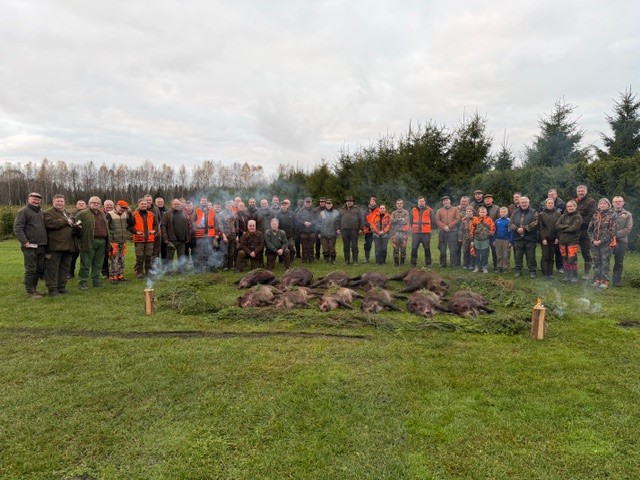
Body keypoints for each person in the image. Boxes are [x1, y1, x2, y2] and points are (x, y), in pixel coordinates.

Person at [13, 192, 48, 298]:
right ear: (28, 199)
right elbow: (17, 227)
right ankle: (30, 291)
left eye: (38, 199)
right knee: (31, 269)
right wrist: (25, 242)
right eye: (34, 199)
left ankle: (34, 289)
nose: (36, 201)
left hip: (41, 245)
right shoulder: (24, 211)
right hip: (30, 246)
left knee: (39, 269)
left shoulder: (40, 212)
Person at [43, 194, 77, 296]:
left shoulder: (68, 213)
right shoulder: (48, 213)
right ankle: (52, 289)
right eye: (57, 201)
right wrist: (66, 221)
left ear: (64, 202)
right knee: (52, 269)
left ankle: (62, 287)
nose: (60, 203)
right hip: (54, 247)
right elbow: (50, 224)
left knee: (64, 269)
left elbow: (73, 220)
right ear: (53, 202)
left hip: (68, 246)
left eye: (61, 201)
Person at [76, 196, 110, 290]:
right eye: (93, 203)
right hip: (89, 241)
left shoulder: (102, 214)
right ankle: (82, 282)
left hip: (102, 242)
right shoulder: (83, 213)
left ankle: (96, 281)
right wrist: (80, 237)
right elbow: (75, 224)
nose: (96, 204)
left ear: (100, 204)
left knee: (98, 263)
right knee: (85, 263)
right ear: (89, 203)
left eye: (98, 203)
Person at [588, 198, 616, 289]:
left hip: (605, 243)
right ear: (598, 205)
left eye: (604, 203)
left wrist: (601, 241)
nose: (602, 205)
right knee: (596, 262)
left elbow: (612, 231)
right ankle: (597, 280)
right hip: (594, 243)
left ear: (608, 205)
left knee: (605, 262)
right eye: (601, 203)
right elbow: (589, 229)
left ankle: (604, 281)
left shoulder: (612, 215)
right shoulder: (595, 215)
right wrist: (593, 240)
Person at [509, 196, 538, 278]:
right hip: (518, 238)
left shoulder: (533, 212)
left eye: (525, 202)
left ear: (528, 203)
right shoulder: (515, 212)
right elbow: (510, 223)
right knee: (518, 256)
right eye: (522, 202)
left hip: (530, 238)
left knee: (531, 256)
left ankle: (532, 271)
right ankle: (518, 270)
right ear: (519, 203)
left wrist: (524, 228)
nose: (524, 204)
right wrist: (517, 229)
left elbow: (535, 222)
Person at [129, 198, 158, 278]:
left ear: (147, 205)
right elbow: (129, 226)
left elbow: (156, 225)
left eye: (145, 204)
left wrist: (154, 230)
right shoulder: (134, 214)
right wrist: (135, 232)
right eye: (142, 204)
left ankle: (148, 272)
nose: (144, 205)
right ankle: (139, 272)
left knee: (149, 256)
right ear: (138, 204)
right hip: (139, 240)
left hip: (150, 239)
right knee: (140, 257)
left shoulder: (151, 214)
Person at [555, 200, 582, 283]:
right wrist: (567, 226)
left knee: (571, 259)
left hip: (572, 241)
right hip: (562, 241)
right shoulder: (563, 216)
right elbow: (557, 226)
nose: (569, 208)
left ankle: (574, 276)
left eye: (571, 206)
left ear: (575, 207)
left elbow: (573, 228)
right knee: (564, 258)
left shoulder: (578, 217)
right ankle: (567, 275)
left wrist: (562, 228)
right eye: (568, 206)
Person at [105, 200, 132, 282]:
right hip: (113, 241)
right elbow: (106, 228)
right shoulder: (109, 214)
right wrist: (109, 241)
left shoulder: (125, 214)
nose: (122, 209)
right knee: (113, 259)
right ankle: (113, 276)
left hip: (123, 241)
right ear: (116, 206)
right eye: (121, 207)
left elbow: (131, 224)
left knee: (121, 259)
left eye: (124, 208)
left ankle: (120, 275)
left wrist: (130, 213)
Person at [162, 198, 191, 274]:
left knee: (181, 256)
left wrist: (187, 237)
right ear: (171, 204)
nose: (177, 205)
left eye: (178, 204)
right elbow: (163, 226)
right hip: (172, 239)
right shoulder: (167, 214)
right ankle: (169, 271)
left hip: (182, 240)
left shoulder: (183, 213)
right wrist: (165, 238)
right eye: (175, 204)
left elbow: (187, 226)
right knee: (170, 257)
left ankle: (181, 270)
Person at [575, 185, 597, 279]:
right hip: (574, 231)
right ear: (577, 192)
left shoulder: (591, 202)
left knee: (586, 253)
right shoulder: (574, 201)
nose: (580, 192)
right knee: (572, 253)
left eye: (582, 191)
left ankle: (587, 274)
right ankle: (573, 273)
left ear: (586, 192)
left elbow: (590, 216)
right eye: (579, 191)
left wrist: (578, 224)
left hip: (585, 231)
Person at [611, 196, 633, 287]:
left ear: (623, 203)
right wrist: (609, 236)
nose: (618, 203)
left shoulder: (628, 214)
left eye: (620, 201)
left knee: (619, 262)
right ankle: (602, 279)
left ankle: (616, 281)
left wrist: (614, 235)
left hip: (622, 241)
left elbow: (628, 229)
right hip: (607, 240)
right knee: (604, 259)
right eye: (616, 201)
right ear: (612, 203)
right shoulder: (608, 213)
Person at [192, 196, 217, 273]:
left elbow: (216, 223)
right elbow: (192, 221)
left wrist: (216, 234)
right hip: (200, 235)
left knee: (210, 251)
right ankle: (199, 269)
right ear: (200, 202)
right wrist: (196, 225)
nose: (204, 202)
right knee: (200, 252)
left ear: (207, 202)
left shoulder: (212, 211)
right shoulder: (197, 210)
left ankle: (211, 268)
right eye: (202, 201)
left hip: (210, 235)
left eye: (205, 201)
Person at [336, 196, 364, 265]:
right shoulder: (342, 210)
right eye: (347, 201)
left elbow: (361, 219)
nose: (349, 202)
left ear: (353, 202)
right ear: (346, 202)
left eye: (350, 201)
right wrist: (338, 228)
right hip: (344, 230)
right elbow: (338, 220)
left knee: (354, 246)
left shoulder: (357, 209)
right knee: (346, 246)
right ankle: (346, 260)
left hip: (354, 230)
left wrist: (361, 228)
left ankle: (355, 261)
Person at [538, 197, 561, 280]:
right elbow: (540, 227)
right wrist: (543, 238)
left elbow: (559, 227)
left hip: (554, 238)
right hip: (545, 238)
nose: (550, 204)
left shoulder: (558, 213)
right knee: (545, 256)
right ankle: (545, 273)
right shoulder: (541, 214)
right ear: (546, 204)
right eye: (548, 203)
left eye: (552, 203)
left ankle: (550, 273)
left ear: (554, 204)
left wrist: (557, 238)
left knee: (551, 256)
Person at [435, 196, 460, 268]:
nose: (445, 202)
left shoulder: (455, 209)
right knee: (442, 248)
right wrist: (444, 227)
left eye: (447, 200)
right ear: (443, 202)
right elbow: (437, 220)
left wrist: (449, 226)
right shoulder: (439, 210)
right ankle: (442, 264)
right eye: (444, 201)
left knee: (453, 248)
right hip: (442, 232)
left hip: (453, 232)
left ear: (450, 201)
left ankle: (453, 264)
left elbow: (457, 219)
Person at [470, 206, 495, 273]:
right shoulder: (475, 219)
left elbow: (492, 228)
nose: (482, 213)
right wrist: (472, 240)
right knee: (477, 254)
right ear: (479, 213)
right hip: (477, 239)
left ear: (486, 212)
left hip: (485, 240)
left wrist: (490, 233)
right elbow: (472, 230)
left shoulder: (489, 219)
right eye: (481, 212)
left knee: (484, 254)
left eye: (484, 212)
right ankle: (477, 267)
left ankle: (484, 267)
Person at [409, 196, 433, 267]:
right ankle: (413, 263)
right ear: (418, 202)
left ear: (425, 202)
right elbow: (410, 221)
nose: (421, 202)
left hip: (426, 233)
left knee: (427, 248)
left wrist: (428, 228)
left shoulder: (429, 210)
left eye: (422, 201)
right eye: (420, 201)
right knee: (414, 248)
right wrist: (413, 228)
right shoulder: (413, 210)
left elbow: (433, 221)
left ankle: (428, 263)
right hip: (416, 233)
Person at [295, 197, 317, 263]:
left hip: (312, 231)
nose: (308, 203)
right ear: (304, 203)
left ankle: (311, 259)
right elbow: (297, 219)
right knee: (304, 246)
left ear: (311, 203)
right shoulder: (300, 211)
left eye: (309, 202)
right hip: (303, 231)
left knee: (311, 246)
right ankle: (304, 259)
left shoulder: (314, 211)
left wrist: (311, 223)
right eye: (307, 202)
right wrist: (304, 223)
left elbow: (317, 219)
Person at [217, 200, 238, 271]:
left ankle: (231, 265)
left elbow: (236, 225)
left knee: (232, 252)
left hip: (233, 234)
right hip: (225, 235)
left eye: (230, 205)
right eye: (228, 205)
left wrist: (237, 235)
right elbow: (220, 226)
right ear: (225, 206)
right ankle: (225, 266)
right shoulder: (221, 214)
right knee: (225, 252)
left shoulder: (234, 213)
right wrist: (223, 235)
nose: (229, 206)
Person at [68, 199, 87, 278]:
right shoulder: (72, 214)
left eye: (83, 203)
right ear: (76, 205)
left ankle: (84, 274)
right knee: (73, 257)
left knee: (86, 258)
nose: (81, 204)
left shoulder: (88, 214)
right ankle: (70, 272)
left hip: (86, 238)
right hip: (75, 239)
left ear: (86, 205)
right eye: (79, 203)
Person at [318, 198, 340, 263]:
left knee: (331, 247)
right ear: (325, 205)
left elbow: (338, 222)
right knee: (325, 247)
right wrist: (319, 232)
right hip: (323, 233)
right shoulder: (322, 213)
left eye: (329, 203)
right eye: (327, 203)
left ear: (332, 204)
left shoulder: (336, 212)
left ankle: (333, 259)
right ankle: (326, 259)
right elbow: (319, 223)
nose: (328, 205)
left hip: (333, 232)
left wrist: (338, 229)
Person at [389, 199, 410, 266]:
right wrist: (400, 219)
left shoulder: (406, 212)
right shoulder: (393, 212)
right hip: (395, 233)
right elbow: (391, 221)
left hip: (404, 233)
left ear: (403, 204)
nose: (399, 204)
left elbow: (406, 221)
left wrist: (396, 221)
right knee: (395, 248)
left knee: (403, 248)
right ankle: (396, 263)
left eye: (400, 203)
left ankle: (402, 263)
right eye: (398, 203)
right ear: (396, 205)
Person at [493, 207, 513, 273]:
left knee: (506, 255)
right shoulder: (497, 221)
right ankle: (499, 267)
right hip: (498, 240)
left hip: (506, 240)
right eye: (501, 212)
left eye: (504, 212)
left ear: (507, 213)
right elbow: (495, 231)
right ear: (499, 213)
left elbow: (511, 232)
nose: (503, 213)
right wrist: (494, 240)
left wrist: (510, 241)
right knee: (499, 255)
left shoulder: (509, 221)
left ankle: (505, 268)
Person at [363, 197, 379, 263]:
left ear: (375, 202)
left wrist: (375, 226)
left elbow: (381, 219)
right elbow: (364, 220)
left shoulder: (379, 210)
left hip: (376, 231)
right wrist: (369, 225)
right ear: (369, 202)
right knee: (368, 244)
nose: (372, 202)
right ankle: (366, 258)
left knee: (377, 244)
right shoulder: (366, 211)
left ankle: (378, 258)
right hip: (368, 231)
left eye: (373, 201)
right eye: (371, 201)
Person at [459, 206, 475, 270]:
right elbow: (460, 230)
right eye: (467, 211)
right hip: (465, 238)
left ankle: (472, 265)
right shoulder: (463, 220)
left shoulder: (475, 219)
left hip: (472, 238)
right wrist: (460, 237)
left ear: (472, 212)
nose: (468, 212)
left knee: (472, 251)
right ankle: (465, 265)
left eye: (470, 211)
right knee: (465, 251)